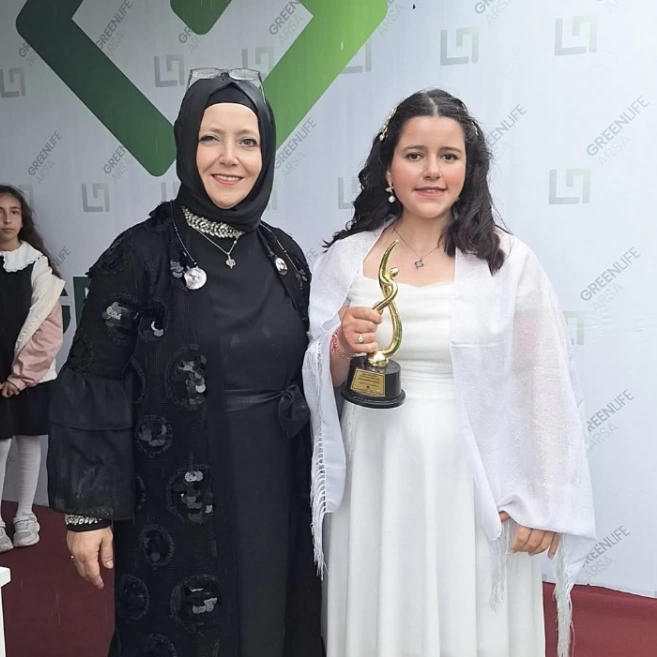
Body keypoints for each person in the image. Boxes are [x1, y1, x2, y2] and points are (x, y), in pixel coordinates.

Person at [303, 89, 596, 657]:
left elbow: (544, 385)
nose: (432, 171)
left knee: (469, 618)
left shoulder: (507, 262)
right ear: (387, 167)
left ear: (470, 169)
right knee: (383, 608)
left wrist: (542, 499)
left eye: (449, 156)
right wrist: (341, 343)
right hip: (373, 477)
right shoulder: (346, 258)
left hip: (475, 481)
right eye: (415, 155)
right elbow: (320, 377)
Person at [47, 70, 321, 657]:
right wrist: (87, 513)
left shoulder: (285, 254)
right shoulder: (139, 255)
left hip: (277, 482)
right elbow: (93, 380)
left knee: (274, 619)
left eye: (247, 141)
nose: (230, 158)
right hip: (177, 495)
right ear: (184, 145)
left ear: (267, 153)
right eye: (209, 138)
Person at [0, 184, 63, 553]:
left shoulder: (40, 267)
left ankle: (25, 515)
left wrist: (22, 377)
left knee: (28, 441)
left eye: (14, 212)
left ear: (23, 220)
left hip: (31, 376)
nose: (7, 219)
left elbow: (50, 331)